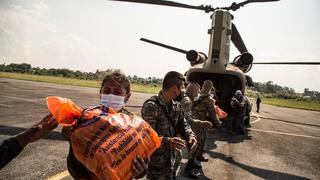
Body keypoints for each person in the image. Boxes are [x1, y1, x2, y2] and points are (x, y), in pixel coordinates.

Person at [63, 70, 149, 179]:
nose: (111, 95)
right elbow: (74, 169)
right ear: (100, 92)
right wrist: (73, 140)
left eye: (117, 92)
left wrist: (140, 170)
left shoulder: (135, 126)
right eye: (107, 91)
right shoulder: (85, 119)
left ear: (127, 96)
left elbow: (142, 170)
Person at [141, 71, 197, 180]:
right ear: (175, 88)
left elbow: (183, 124)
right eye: (182, 88)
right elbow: (148, 138)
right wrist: (168, 142)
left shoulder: (176, 106)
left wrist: (190, 135)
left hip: (173, 161)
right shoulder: (151, 106)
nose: (183, 91)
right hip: (157, 165)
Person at [182, 82, 213, 178]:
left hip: (186, 128)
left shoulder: (186, 98)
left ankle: (192, 163)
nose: (198, 94)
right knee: (193, 146)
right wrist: (202, 123)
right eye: (197, 92)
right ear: (192, 91)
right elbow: (187, 120)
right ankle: (187, 169)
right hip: (185, 128)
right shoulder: (187, 101)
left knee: (195, 145)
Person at [192, 80, 221, 163]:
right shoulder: (209, 99)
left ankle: (197, 156)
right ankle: (193, 161)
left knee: (198, 138)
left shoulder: (196, 95)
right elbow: (212, 113)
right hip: (201, 122)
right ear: (210, 88)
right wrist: (217, 122)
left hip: (192, 120)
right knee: (200, 140)